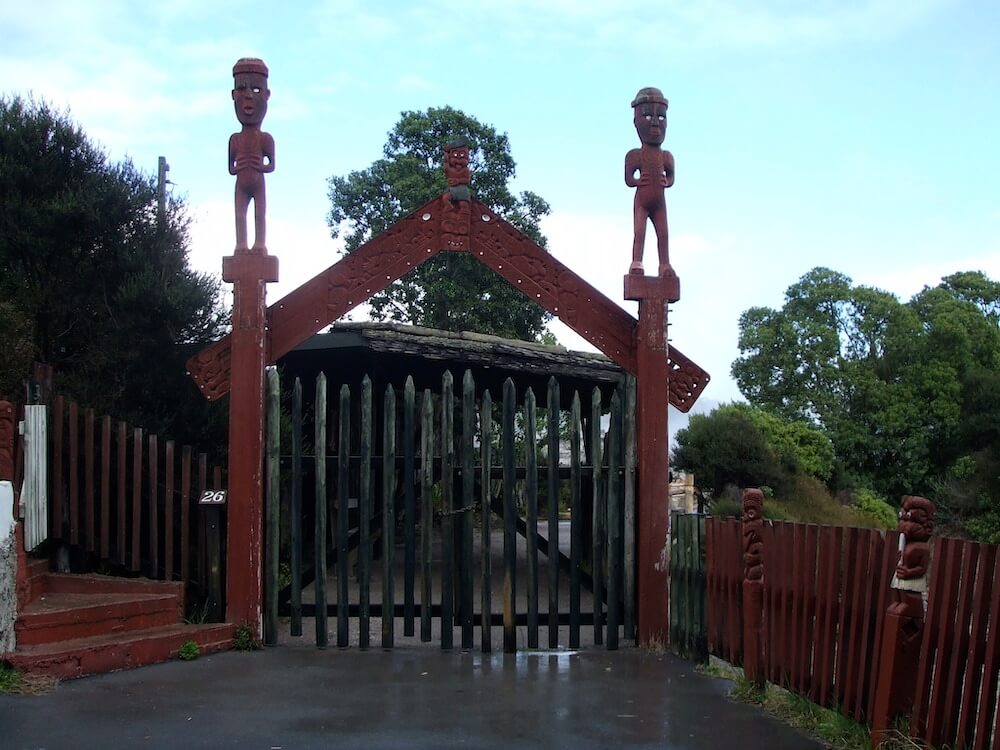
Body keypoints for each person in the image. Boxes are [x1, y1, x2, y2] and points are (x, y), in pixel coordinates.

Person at [625, 87, 674, 277]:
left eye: (661, 117)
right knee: (640, 232)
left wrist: (667, 180)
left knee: (664, 234)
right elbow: (628, 178)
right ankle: (637, 261)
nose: (655, 122)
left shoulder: (666, 156)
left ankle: (665, 264)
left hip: (659, 203)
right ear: (636, 121)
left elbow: (671, 177)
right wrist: (636, 181)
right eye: (647, 116)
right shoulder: (635, 155)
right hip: (642, 202)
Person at [229, 57, 275, 253]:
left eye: (256, 90)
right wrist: (236, 167)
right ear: (233, 95)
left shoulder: (265, 138)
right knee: (239, 214)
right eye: (241, 89)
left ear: (267, 95)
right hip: (242, 181)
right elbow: (230, 167)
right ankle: (241, 244)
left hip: (257, 181)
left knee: (259, 213)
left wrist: (262, 166)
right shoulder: (235, 139)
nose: (248, 96)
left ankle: (259, 243)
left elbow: (272, 165)